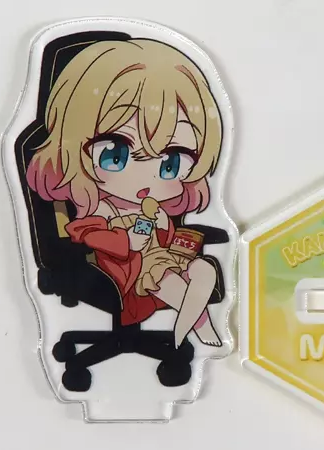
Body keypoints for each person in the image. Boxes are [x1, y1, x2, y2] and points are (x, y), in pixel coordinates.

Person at [27, 39, 224, 348]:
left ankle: (188, 321)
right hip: (121, 270)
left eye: (171, 162)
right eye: (116, 155)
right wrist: (125, 241)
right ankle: (196, 327)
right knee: (167, 279)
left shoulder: (152, 207)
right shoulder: (98, 207)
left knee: (201, 268)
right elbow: (84, 234)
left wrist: (166, 228)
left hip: (160, 257)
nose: (145, 177)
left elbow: (164, 238)